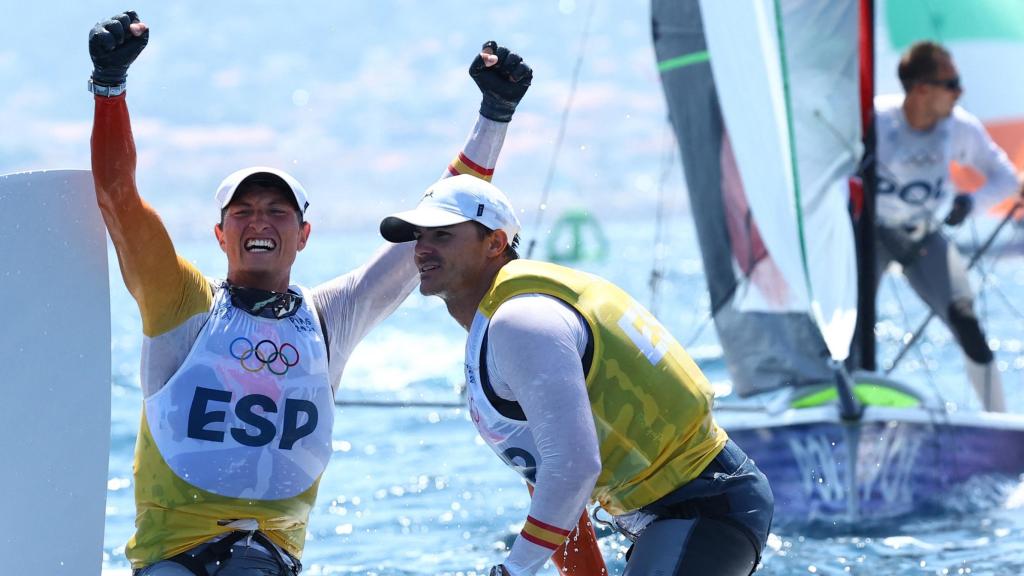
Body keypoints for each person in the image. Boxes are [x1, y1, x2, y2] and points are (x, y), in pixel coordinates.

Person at [88, 11, 535, 575]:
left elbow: (439, 217)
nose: (260, 223)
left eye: (278, 212)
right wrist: (110, 86)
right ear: (219, 234)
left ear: (303, 235)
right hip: (174, 558)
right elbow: (118, 196)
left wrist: (494, 115)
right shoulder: (181, 301)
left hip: (271, 562)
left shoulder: (330, 319)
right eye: (243, 212)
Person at [378, 179, 775, 575]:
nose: (422, 250)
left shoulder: (522, 321)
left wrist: (515, 569)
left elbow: (575, 467)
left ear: (496, 243)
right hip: (672, 515)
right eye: (418, 237)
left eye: (442, 236)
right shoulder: (499, 326)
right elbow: (551, 480)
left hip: (707, 504)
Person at [874, 40, 1024, 412]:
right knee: (851, 329)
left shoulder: (960, 128)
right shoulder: (874, 120)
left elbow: (1007, 180)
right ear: (923, 90)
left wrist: (969, 204)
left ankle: (1000, 425)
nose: (961, 91)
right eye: (952, 83)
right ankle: (852, 410)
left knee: (966, 321)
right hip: (869, 236)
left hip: (923, 236)